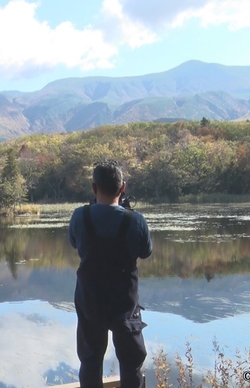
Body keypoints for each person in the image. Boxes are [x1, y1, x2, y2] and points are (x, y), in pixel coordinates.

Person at [68, 160, 153, 388]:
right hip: (124, 304)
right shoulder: (135, 220)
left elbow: (75, 243)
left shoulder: (80, 217)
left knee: (90, 361)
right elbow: (146, 252)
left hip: (90, 301)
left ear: (94, 188)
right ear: (122, 187)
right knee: (131, 363)